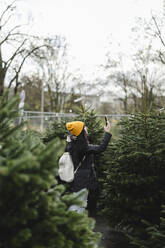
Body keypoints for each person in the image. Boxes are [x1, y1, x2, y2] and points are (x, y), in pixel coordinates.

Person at [65, 119, 112, 214]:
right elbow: (101, 148)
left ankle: (77, 223)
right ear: (81, 132)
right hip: (83, 179)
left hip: (78, 178)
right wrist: (107, 132)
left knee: (81, 201)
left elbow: (70, 141)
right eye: (84, 127)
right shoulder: (85, 148)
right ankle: (69, 223)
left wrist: (70, 138)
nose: (86, 128)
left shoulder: (72, 144)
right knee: (77, 202)